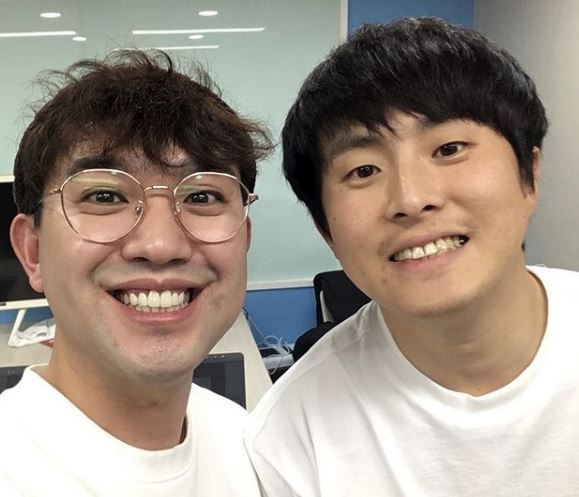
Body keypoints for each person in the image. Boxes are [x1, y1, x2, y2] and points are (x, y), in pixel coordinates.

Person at [244, 17, 579, 496]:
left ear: (530, 173)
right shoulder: (291, 440)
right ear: (326, 229)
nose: (412, 198)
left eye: (449, 148)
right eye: (363, 170)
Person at [0, 50, 271, 496]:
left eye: (202, 196)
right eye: (105, 197)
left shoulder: (251, 448)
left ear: (244, 239)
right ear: (32, 252)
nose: (161, 245)